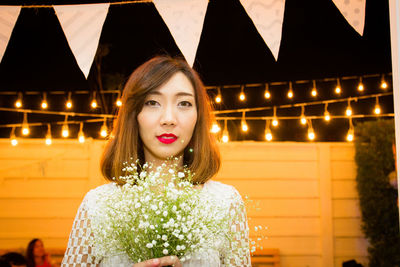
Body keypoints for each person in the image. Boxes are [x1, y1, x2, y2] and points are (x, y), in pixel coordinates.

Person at [61, 56, 251, 267]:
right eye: (152, 103)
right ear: (135, 114)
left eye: (184, 103)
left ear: (198, 117)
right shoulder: (98, 205)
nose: (168, 118)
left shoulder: (225, 203)